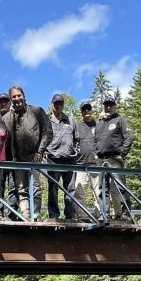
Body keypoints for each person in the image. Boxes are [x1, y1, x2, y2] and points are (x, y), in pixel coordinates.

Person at [2, 86, 51, 220]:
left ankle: (36, 214)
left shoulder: (37, 111)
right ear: (11, 99)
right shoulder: (7, 118)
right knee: (21, 189)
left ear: (24, 96)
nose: (17, 98)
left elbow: (47, 132)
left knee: (35, 187)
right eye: (14, 97)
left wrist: (40, 150)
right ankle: (26, 215)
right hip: (17, 159)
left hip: (34, 157)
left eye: (19, 95)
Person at [94, 96, 133, 221]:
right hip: (102, 160)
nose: (108, 107)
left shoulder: (120, 120)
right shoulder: (100, 123)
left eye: (111, 105)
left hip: (116, 159)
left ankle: (125, 213)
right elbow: (95, 140)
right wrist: (96, 153)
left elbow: (129, 137)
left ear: (115, 107)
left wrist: (122, 154)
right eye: (106, 105)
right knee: (103, 188)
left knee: (120, 187)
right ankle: (104, 214)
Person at [45, 93, 78, 221]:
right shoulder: (46, 120)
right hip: (53, 159)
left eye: (60, 103)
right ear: (51, 105)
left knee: (70, 189)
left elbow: (77, 138)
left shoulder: (71, 120)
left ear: (63, 105)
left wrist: (76, 152)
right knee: (53, 187)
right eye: (56, 103)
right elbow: (42, 137)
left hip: (70, 159)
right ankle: (53, 215)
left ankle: (70, 215)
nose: (58, 106)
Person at [72, 100, 100, 221]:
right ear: (81, 112)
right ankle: (81, 217)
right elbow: (72, 141)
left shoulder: (98, 125)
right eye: (84, 109)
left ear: (92, 110)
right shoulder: (77, 126)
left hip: (96, 164)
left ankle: (99, 215)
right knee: (80, 192)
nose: (86, 111)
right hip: (80, 164)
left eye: (88, 108)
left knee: (99, 192)